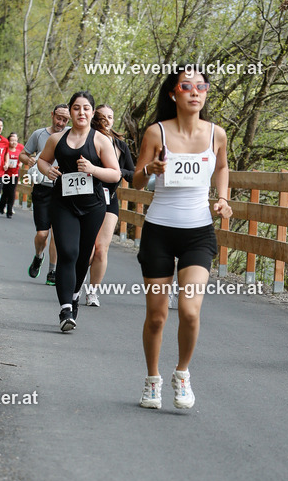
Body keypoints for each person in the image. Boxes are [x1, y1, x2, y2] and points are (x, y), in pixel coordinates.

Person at [132, 65, 231, 410]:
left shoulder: (216, 134)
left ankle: (182, 373)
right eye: (186, 86)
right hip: (159, 231)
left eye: (200, 87)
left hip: (198, 233)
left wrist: (222, 197)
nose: (194, 92)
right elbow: (135, 183)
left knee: (189, 311)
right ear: (173, 93)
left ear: (206, 94)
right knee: (157, 315)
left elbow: (221, 166)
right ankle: (151, 380)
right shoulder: (156, 132)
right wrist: (150, 169)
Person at [37, 92, 120, 332]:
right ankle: (65, 310)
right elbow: (42, 161)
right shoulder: (57, 139)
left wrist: (93, 169)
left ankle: (74, 295)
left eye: (86, 108)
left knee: (85, 256)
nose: (81, 112)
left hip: (92, 205)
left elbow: (115, 174)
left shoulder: (101, 140)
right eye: (76, 108)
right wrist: (48, 170)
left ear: (92, 113)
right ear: (70, 112)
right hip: (63, 203)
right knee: (68, 252)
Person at [84, 104, 135, 306]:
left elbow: (132, 174)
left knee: (102, 248)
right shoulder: (88, 140)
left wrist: (118, 172)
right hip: (87, 197)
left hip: (109, 198)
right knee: (87, 250)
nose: (107, 120)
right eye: (103, 117)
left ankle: (93, 292)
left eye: (111, 117)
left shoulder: (121, 146)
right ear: (95, 119)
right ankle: (78, 283)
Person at [22, 104, 69, 283]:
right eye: (58, 118)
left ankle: (52, 271)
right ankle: (38, 256)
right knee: (43, 234)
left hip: (64, 189)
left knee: (57, 234)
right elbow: (22, 154)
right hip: (42, 188)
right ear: (52, 115)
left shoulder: (72, 134)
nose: (61, 122)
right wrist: (29, 159)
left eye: (65, 120)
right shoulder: (39, 134)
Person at [0, 132, 24, 218]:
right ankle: (2, 205)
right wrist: (6, 164)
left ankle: (9, 210)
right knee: (5, 191)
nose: (14, 142)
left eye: (15, 141)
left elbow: (21, 159)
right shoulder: (6, 150)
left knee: (12, 192)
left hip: (14, 174)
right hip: (5, 174)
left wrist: (20, 163)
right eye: (12, 140)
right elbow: (1, 159)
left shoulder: (18, 151)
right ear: (8, 141)